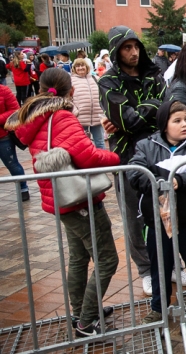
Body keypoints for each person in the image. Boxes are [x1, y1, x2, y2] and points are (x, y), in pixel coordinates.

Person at [7, 68, 120, 337]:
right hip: (78, 200)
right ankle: (85, 322)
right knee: (107, 260)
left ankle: (81, 311)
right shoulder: (61, 117)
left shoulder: (37, 118)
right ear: (71, 91)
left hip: (62, 200)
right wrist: (118, 158)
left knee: (79, 257)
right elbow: (88, 156)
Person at [127, 100, 186, 326]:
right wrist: (156, 182)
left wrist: (181, 181)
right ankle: (159, 307)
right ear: (164, 124)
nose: (184, 124)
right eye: (177, 121)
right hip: (156, 220)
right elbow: (135, 174)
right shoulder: (146, 146)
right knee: (160, 266)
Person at [98, 26, 167, 296]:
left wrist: (139, 113)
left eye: (136, 46)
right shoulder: (108, 81)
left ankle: (170, 263)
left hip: (158, 153)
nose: (134, 52)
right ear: (117, 51)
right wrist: (150, 109)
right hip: (127, 157)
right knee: (134, 216)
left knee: (165, 210)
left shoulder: (154, 74)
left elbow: (167, 109)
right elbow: (127, 119)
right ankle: (147, 269)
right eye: (127, 48)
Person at [0, 83, 29, 201]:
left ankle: (23, 188)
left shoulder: (4, 91)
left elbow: (15, 110)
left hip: (3, 136)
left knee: (12, 164)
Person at [71, 59, 105, 149]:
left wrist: (102, 108)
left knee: (100, 142)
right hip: (80, 117)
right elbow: (67, 99)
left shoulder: (95, 78)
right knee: (83, 144)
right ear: (74, 68)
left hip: (96, 116)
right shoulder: (71, 81)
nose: (81, 68)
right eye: (78, 66)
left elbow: (103, 95)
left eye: (83, 65)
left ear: (87, 67)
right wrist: (75, 111)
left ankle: (104, 162)